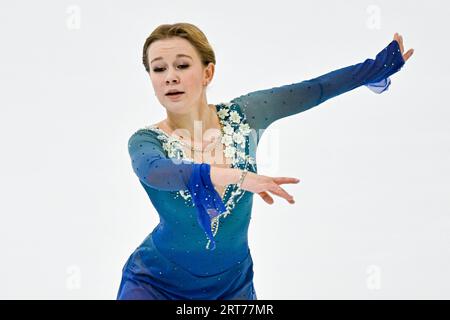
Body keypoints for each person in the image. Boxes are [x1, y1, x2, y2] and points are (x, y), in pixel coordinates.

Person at [116, 23, 414, 300]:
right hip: (154, 285)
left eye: (182, 65)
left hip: (231, 286)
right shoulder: (146, 141)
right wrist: (239, 177)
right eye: (158, 69)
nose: (170, 76)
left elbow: (315, 89)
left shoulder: (244, 117)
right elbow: (158, 172)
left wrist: (376, 68)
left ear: (208, 73)